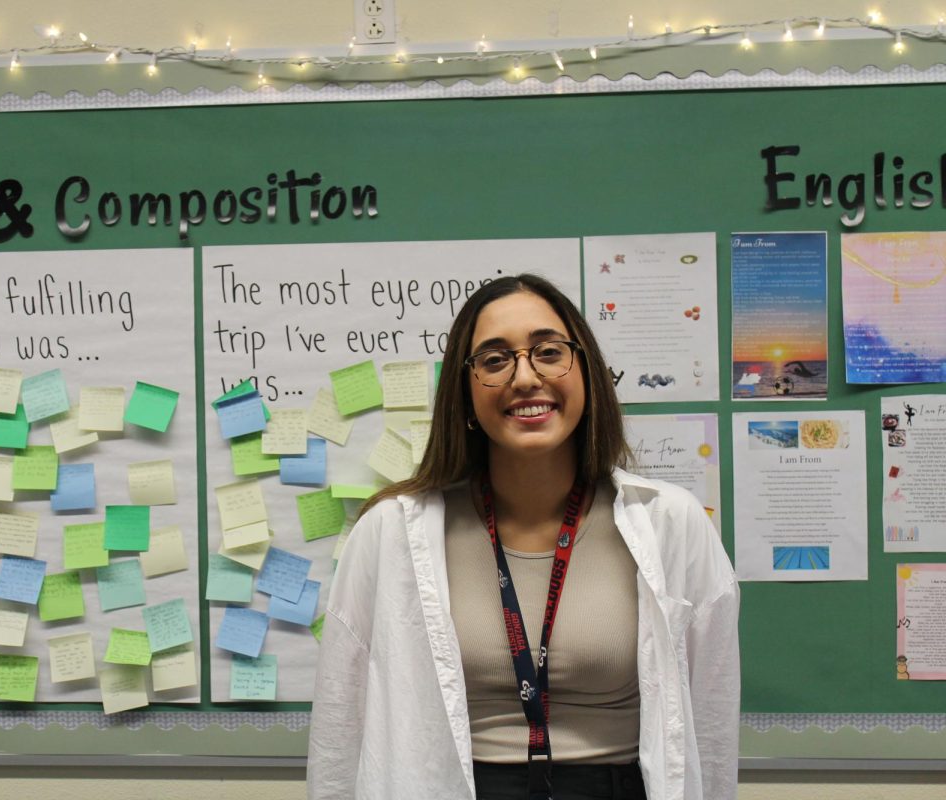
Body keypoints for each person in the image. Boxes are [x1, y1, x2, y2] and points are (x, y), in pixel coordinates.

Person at [308, 274, 739, 800]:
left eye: (548, 351)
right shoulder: (390, 533)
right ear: (464, 396)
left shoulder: (670, 522)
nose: (525, 377)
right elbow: (340, 728)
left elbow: (710, 724)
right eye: (494, 360)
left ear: (586, 373)